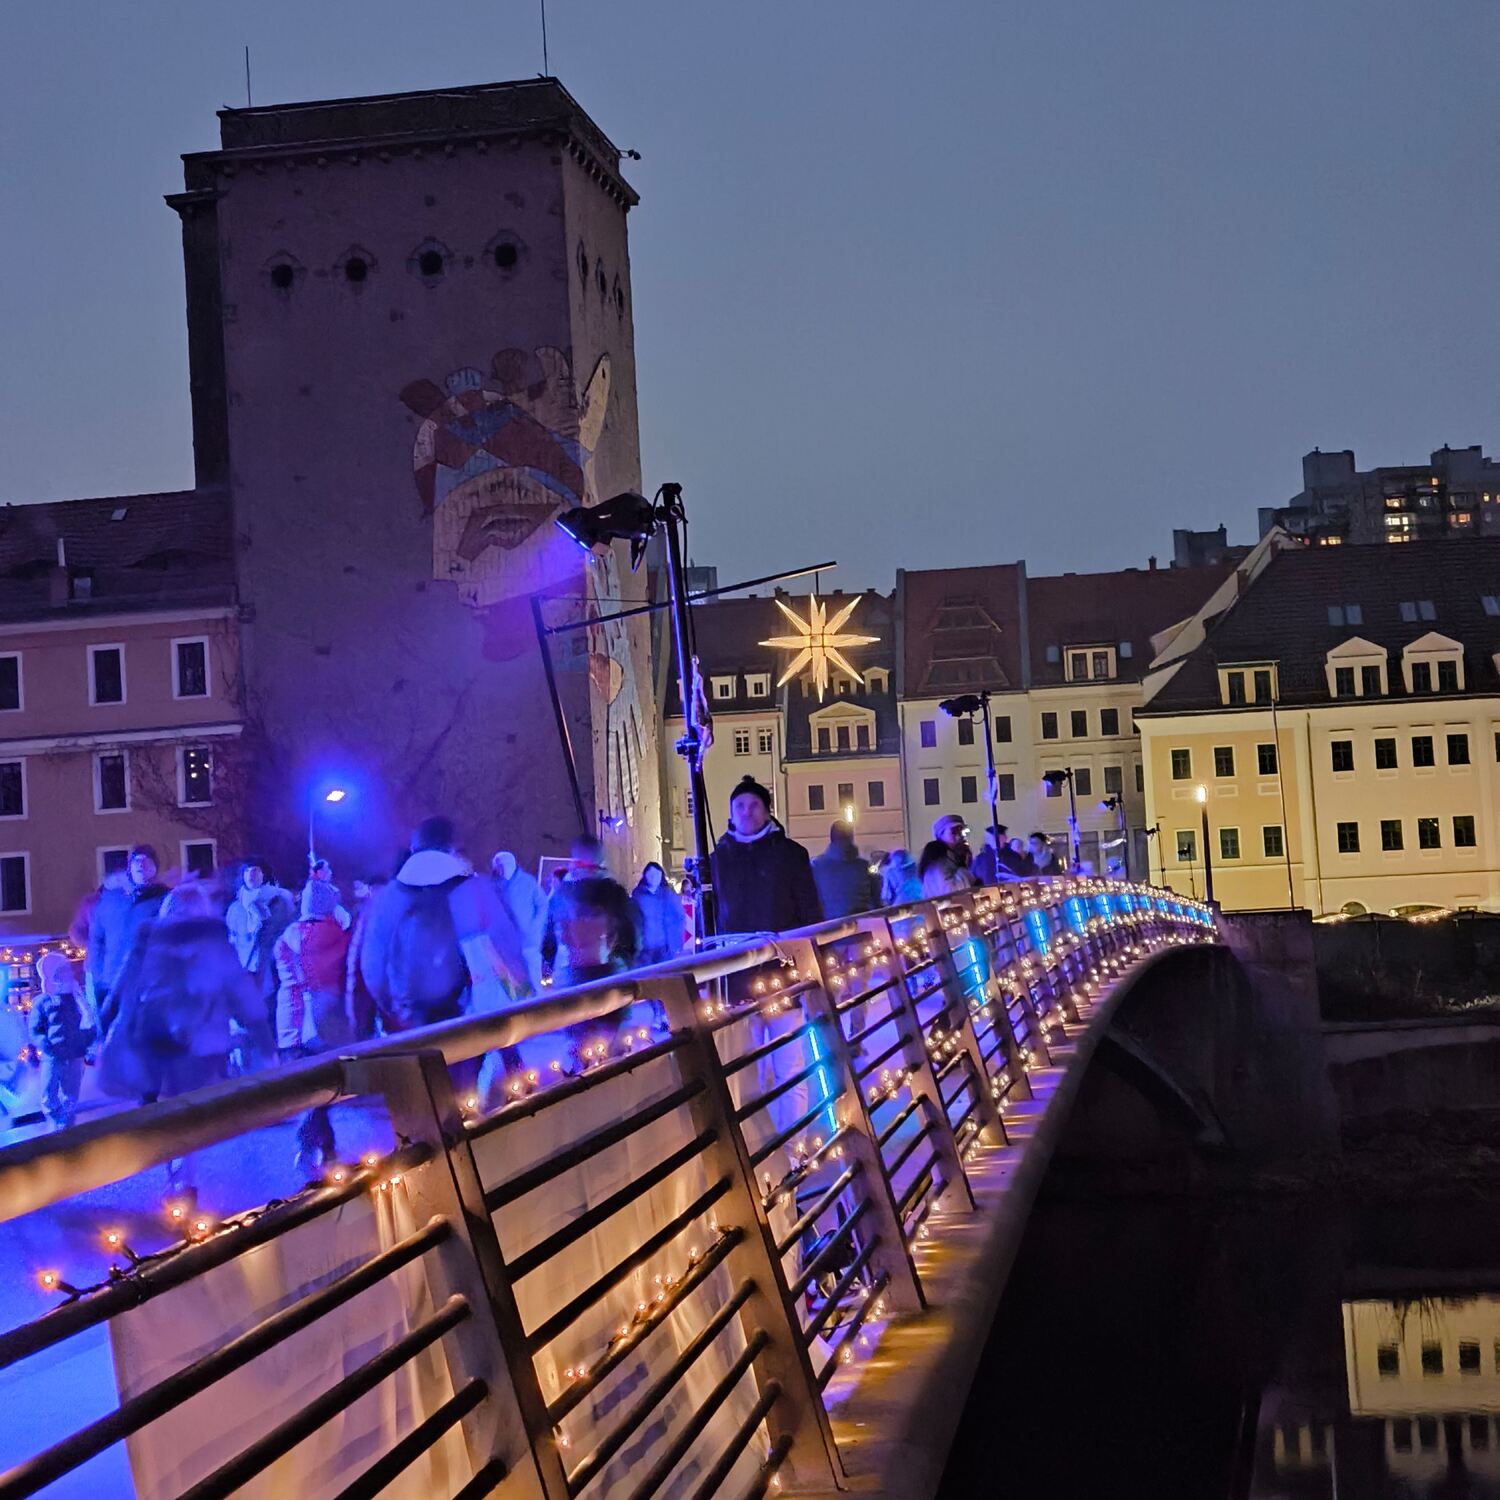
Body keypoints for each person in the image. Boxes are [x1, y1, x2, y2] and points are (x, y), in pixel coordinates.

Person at [357, 816, 525, 1034]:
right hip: (465, 1014)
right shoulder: (473, 889)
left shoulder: (389, 897)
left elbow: (372, 965)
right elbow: (505, 948)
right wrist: (521, 996)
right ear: (452, 847)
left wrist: (394, 1009)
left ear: (413, 849)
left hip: (410, 1018)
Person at [274, 881, 355, 1172]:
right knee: (325, 1086)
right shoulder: (338, 935)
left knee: (312, 1087)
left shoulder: (285, 937)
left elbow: (287, 982)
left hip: (292, 1019)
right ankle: (321, 1147)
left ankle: (319, 1146)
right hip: (328, 1017)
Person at [711, 776, 822, 935]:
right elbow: (708, 917)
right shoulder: (717, 861)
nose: (746, 812)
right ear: (731, 815)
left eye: (754, 805)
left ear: (766, 813)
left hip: (783, 952)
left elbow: (809, 909)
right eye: (740, 806)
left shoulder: (791, 854)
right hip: (733, 954)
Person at [88, 846, 169, 1035]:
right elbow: (97, 939)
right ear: (129, 868)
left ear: (155, 868)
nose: (141, 864)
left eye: (147, 861)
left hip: (147, 984)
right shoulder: (111, 900)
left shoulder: (165, 899)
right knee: (114, 1040)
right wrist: (99, 974)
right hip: (111, 983)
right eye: (136, 861)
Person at [273, 880, 353, 1059]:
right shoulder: (339, 936)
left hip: (290, 1024)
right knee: (340, 1077)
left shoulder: (284, 938)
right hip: (330, 1023)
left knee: (298, 1083)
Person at [543, 838, 638, 989]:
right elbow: (632, 936)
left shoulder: (564, 894)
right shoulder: (614, 894)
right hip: (592, 976)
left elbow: (549, 935)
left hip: (584, 976)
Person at [225, 858, 296, 1028]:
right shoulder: (235, 908)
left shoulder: (279, 902)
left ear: (264, 875)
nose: (251, 875)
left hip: (273, 968)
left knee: (273, 1016)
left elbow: (288, 933)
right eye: (247, 871)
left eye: (256, 870)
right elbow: (231, 941)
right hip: (246, 971)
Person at [32, 952, 95, 1131]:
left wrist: (86, 1041)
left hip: (74, 1053)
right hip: (53, 1055)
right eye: (62, 971)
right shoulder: (43, 1002)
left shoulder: (76, 999)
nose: (68, 974)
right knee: (49, 1090)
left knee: (71, 1090)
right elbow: (35, 1029)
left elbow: (88, 1020)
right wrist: (46, 1045)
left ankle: (66, 1123)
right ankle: (54, 1119)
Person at [492, 851, 547, 991]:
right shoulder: (493, 885)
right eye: (497, 866)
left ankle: (539, 1007)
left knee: (533, 978)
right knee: (511, 981)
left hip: (528, 940)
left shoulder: (528, 881)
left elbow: (542, 903)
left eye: (502, 865)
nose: (500, 869)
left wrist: (535, 926)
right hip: (504, 943)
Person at [811, 823, 880, 919]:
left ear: (831, 838)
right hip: (862, 926)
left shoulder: (816, 867)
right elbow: (877, 901)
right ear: (852, 838)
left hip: (829, 928)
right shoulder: (864, 867)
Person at [632, 862, 687, 967]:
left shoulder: (668, 895)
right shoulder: (638, 896)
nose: (654, 878)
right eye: (651, 874)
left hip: (664, 948)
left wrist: (675, 943)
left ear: (661, 876)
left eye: (657, 875)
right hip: (643, 949)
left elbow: (679, 918)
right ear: (645, 876)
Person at [918, 815, 975, 896]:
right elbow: (951, 892)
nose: (959, 837)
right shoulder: (937, 861)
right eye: (954, 832)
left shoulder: (953, 857)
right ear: (941, 835)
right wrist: (964, 868)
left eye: (961, 831)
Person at [308, 858, 353, 930]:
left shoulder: (332, 889)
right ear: (319, 872)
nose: (330, 872)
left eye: (329, 869)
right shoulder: (314, 888)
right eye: (327, 869)